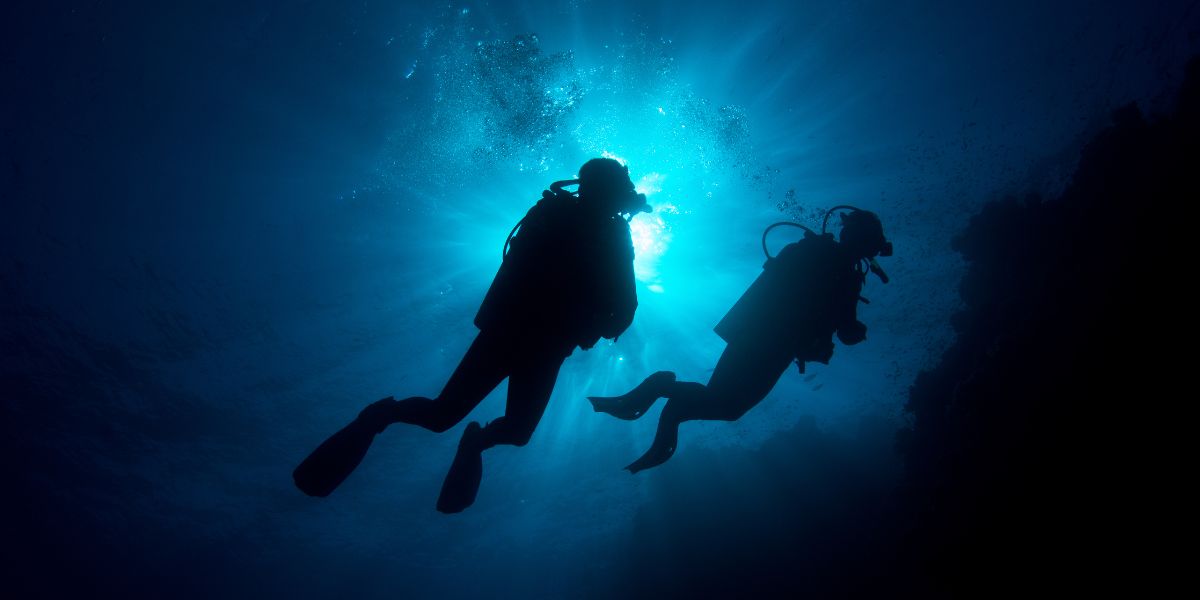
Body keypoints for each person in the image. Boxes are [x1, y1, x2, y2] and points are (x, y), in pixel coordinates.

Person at [294, 158, 648, 512]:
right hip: (524, 337)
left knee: (484, 425)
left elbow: (619, 298)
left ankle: (438, 430)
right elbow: (622, 300)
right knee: (465, 421)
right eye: (620, 186)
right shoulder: (591, 225)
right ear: (605, 188)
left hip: (526, 338)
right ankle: (409, 422)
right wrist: (603, 324)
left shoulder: (577, 219)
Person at [589, 207, 893, 473]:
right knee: (728, 406)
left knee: (722, 401)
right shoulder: (844, 274)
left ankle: (668, 403)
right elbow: (845, 329)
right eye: (872, 242)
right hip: (774, 346)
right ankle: (663, 393)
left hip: (754, 334)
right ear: (864, 239)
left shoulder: (815, 255)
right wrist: (854, 330)